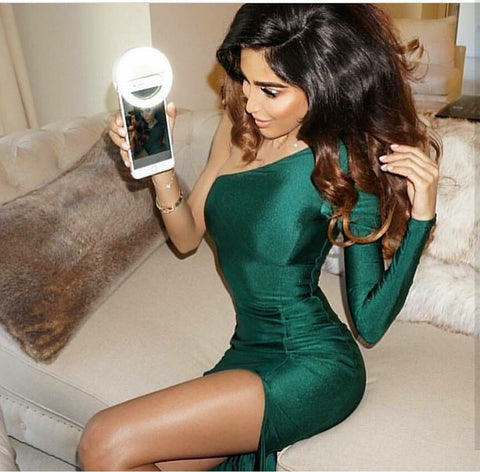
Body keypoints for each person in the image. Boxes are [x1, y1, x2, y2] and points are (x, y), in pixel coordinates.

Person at [78, 4, 439, 471]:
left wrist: (422, 215)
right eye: (246, 82)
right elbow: (187, 237)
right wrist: (159, 167)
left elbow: (369, 322)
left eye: (271, 91)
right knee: (122, 459)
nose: (250, 103)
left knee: (103, 440)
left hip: (313, 364)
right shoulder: (237, 127)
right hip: (248, 349)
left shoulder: (342, 165)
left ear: (321, 86)